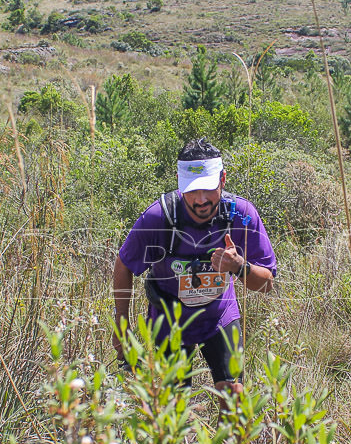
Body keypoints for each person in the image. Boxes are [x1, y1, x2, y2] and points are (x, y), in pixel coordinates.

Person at [112, 138, 277, 395]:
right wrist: (122, 325)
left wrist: (239, 267)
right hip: (170, 321)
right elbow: (124, 265)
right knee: (173, 409)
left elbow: (267, 284)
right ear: (179, 184)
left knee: (233, 399)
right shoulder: (158, 218)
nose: (200, 200)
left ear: (223, 179)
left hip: (220, 316)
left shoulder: (241, 215)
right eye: (191, 190)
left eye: (208, 189)